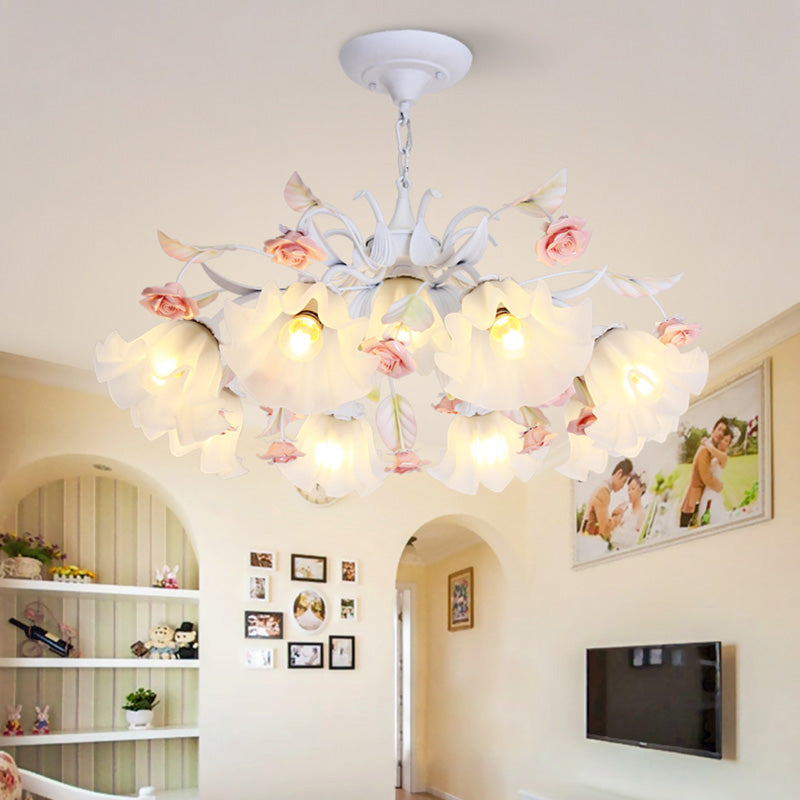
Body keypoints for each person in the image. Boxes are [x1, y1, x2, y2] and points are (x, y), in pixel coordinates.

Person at [679, 418, 730, 527]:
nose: (721, 433)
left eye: (723, 431)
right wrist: (720, 486)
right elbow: (707, 478)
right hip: (694, 498)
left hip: (701, 495)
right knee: (687, 529)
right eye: (719, 429)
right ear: (713, 430)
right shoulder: (704, 450)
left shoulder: (709, 448)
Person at [580, 459, 633, 540]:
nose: (622, 487)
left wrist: (613, 516)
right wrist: (619, 517)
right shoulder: (603, 491)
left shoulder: (603, 487)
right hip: (588, 541)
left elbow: (600, 521)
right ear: (619, 473)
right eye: (624, 481)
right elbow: (605, 530)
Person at [697, 429, 733, 525]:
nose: (722, 442)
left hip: (713, 491)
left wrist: (705, 442)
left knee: (713, 517)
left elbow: (712, 449)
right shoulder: (711, 454)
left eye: (726, 441)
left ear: (728, 444)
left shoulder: (723, 456)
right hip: (706, 489)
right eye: (722, 439)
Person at [610, 473, 647, 550]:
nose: (629, 492)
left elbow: (635, 540)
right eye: (628, 490)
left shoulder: (642, 514)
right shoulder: (624, 508)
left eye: (633, 489)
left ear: (641, 489)